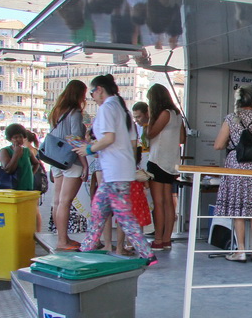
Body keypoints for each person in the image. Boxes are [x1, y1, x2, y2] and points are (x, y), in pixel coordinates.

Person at [73, 74, 157, 266]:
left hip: (115, 172)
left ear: (100, 89)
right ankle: (88, 245)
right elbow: (127, 141)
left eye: (92, 92)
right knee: (99, 210)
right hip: (120, 170)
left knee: (122, 215)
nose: (91, 97)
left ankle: (146, 253)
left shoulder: (107, 109)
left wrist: (88, 148)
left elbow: (108, 138)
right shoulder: (122, 110)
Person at [213, 85, 252, 263]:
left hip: (237, 165)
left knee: (238, 209)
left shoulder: (231, 118)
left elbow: (218, 145)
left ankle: (241, 250)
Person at [48, 79, 88, 250]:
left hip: (55, 159)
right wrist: (85, 164)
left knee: (57, 201)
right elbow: (76, 139)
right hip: (71, 160)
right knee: (65, 201)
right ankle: (63, 241)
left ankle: (61, 237)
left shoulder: (56, 112)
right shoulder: (75, 113)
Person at [146, 84, 185, 251]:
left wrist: (150, 118)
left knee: (159, 202)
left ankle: (158, 239)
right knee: (169, 202)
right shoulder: (177, 115)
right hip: (172, 163)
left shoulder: (163, 114)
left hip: (157, 160)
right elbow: (182, 138)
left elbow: (150, 134)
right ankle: (167, 239)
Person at [0, 123, 38, 192]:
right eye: (15, 137)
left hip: (27, 186)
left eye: (21, 137)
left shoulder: (27, 151)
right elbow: (8, 169)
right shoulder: (5, 151)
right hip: (12, 188)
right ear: (10, 139)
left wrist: (30, 174)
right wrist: (16, 154)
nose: (18, 139)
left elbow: (36, 163)